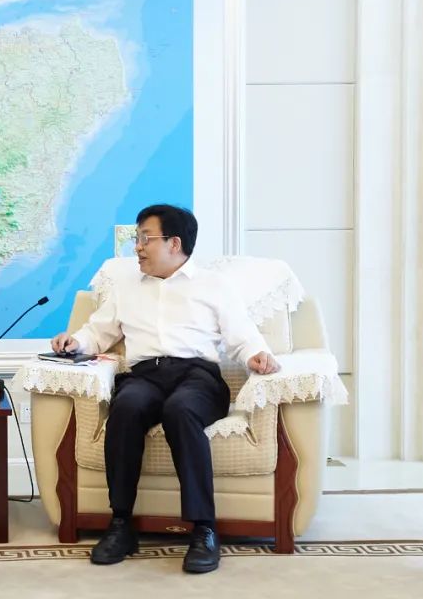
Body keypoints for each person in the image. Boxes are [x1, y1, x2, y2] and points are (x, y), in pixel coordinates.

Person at [51, 204, 279, 574]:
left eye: (146, 238)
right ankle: (121, 524)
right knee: (126, 407)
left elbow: (242, 334)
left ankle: (204, 529)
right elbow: (99, 332)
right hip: (145, 375)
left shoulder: (212, 285)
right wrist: (74, 342)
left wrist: (257, 355)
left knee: (181, 410)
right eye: (137, 238)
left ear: (174, 243)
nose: (138, 247)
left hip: (198, 377)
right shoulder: (127, 287)